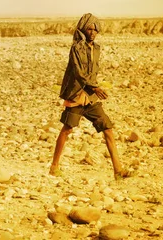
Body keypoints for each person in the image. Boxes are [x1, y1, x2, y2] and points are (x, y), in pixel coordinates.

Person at [49, 13, 133, 180]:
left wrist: (94, 88)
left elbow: (92, 71)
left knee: (107, 128)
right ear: (83, 29)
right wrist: (94, 86)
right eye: (89, 28)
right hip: (76, 95)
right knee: (67, 130)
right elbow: (78, 72)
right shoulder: (76, 48)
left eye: (95, 29)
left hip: (91, 96)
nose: (93, 32)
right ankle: (54, 167)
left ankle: (118, 170)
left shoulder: (96, 49)